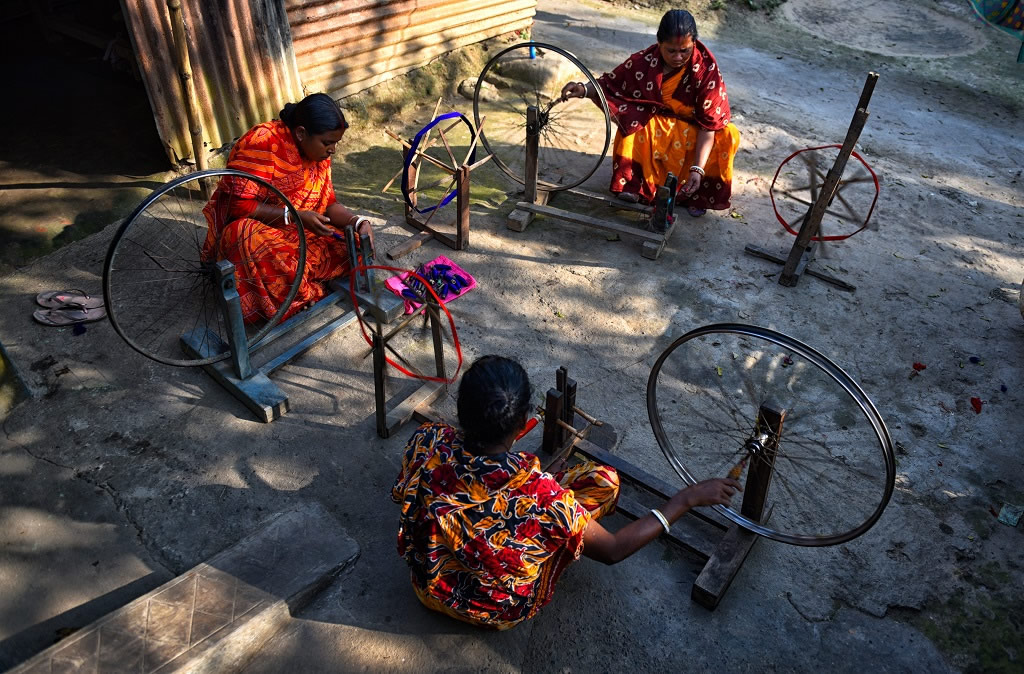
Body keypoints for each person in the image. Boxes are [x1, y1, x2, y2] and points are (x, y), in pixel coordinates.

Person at [391, 355, 741, 629]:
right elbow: (614, 550)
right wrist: (685, 499)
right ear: (521, 423)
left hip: (429, 587)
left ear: (461, 411)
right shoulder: (544, 498)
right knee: (604, 482)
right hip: (495, 612)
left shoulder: (428, 440)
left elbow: (441, 494)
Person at [201, 93, 374, 323]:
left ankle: (298, 285)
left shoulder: (319, 153)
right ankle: (303, 289)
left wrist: (359, 222)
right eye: (327, 143)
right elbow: (238, 207)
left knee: (356, 246)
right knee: (243, 235)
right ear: (301, 133)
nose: (332, 150)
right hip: (261, 235)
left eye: (335, 143)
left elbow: (329, 203)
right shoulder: (263, 143)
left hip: (300, 231)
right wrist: (293, 217)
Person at [561, 9, 741, 216]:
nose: (678, 57)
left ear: (694, 44)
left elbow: (709, 125)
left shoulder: (705, 71)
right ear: (659, 43)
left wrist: (697, 169)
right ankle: (634, 185)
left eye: (685, 51)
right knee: (630, 119)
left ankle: (696, 193)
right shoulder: (644, 62)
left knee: (728, 135)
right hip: (655, 127)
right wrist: (583, 89)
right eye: (671, 51)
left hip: (693, 132)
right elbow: (611, 84)